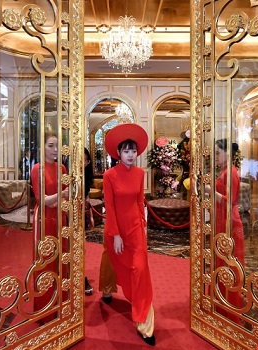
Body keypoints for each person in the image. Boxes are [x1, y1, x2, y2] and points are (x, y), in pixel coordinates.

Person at [102, 123, 156, 346]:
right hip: (116, 229)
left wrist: (143, 223)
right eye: (126, 151)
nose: (131, 155)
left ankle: (145, 324)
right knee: (111, 257)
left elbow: (138, 200)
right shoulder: (109, 175)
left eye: (133, 150)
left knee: (140, 270)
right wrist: (115, 234)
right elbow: (110, 206)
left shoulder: (140, 173)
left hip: (136, 230)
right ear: (118, 153)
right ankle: (106, 288)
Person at [205, 139, 245, 321]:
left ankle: (229, 305)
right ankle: (221, 302)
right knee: (222, 260)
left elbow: (230, 201)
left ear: (227, 153)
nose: (216, 156)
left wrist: (209, 190)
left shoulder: (231, 173)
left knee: (230, 262)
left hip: (230, 220)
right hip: (223, 219)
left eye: (218, 152)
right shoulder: (225, 171)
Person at [30, 130, 69, 318]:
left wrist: (56, 198)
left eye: (57, 146)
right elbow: (41, 199)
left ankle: (61, 302)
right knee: (46, 260)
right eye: (50, 146)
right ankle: (45, 308)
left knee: (62, 257)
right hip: (44, 218)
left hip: (61, 215)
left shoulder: (62, 168)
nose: (55, 150)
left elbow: (62, 195)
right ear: (42, 147)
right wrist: (58, 196)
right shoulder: (37, 169)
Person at [83, 148, 95, 295]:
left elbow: (86, 197)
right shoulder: (66, 173)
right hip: (65, 215)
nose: (82, 163)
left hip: (80, 214)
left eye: (85, 160)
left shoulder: (86, 176)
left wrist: (90, 215)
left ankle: (82, 276)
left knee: (82, 248)